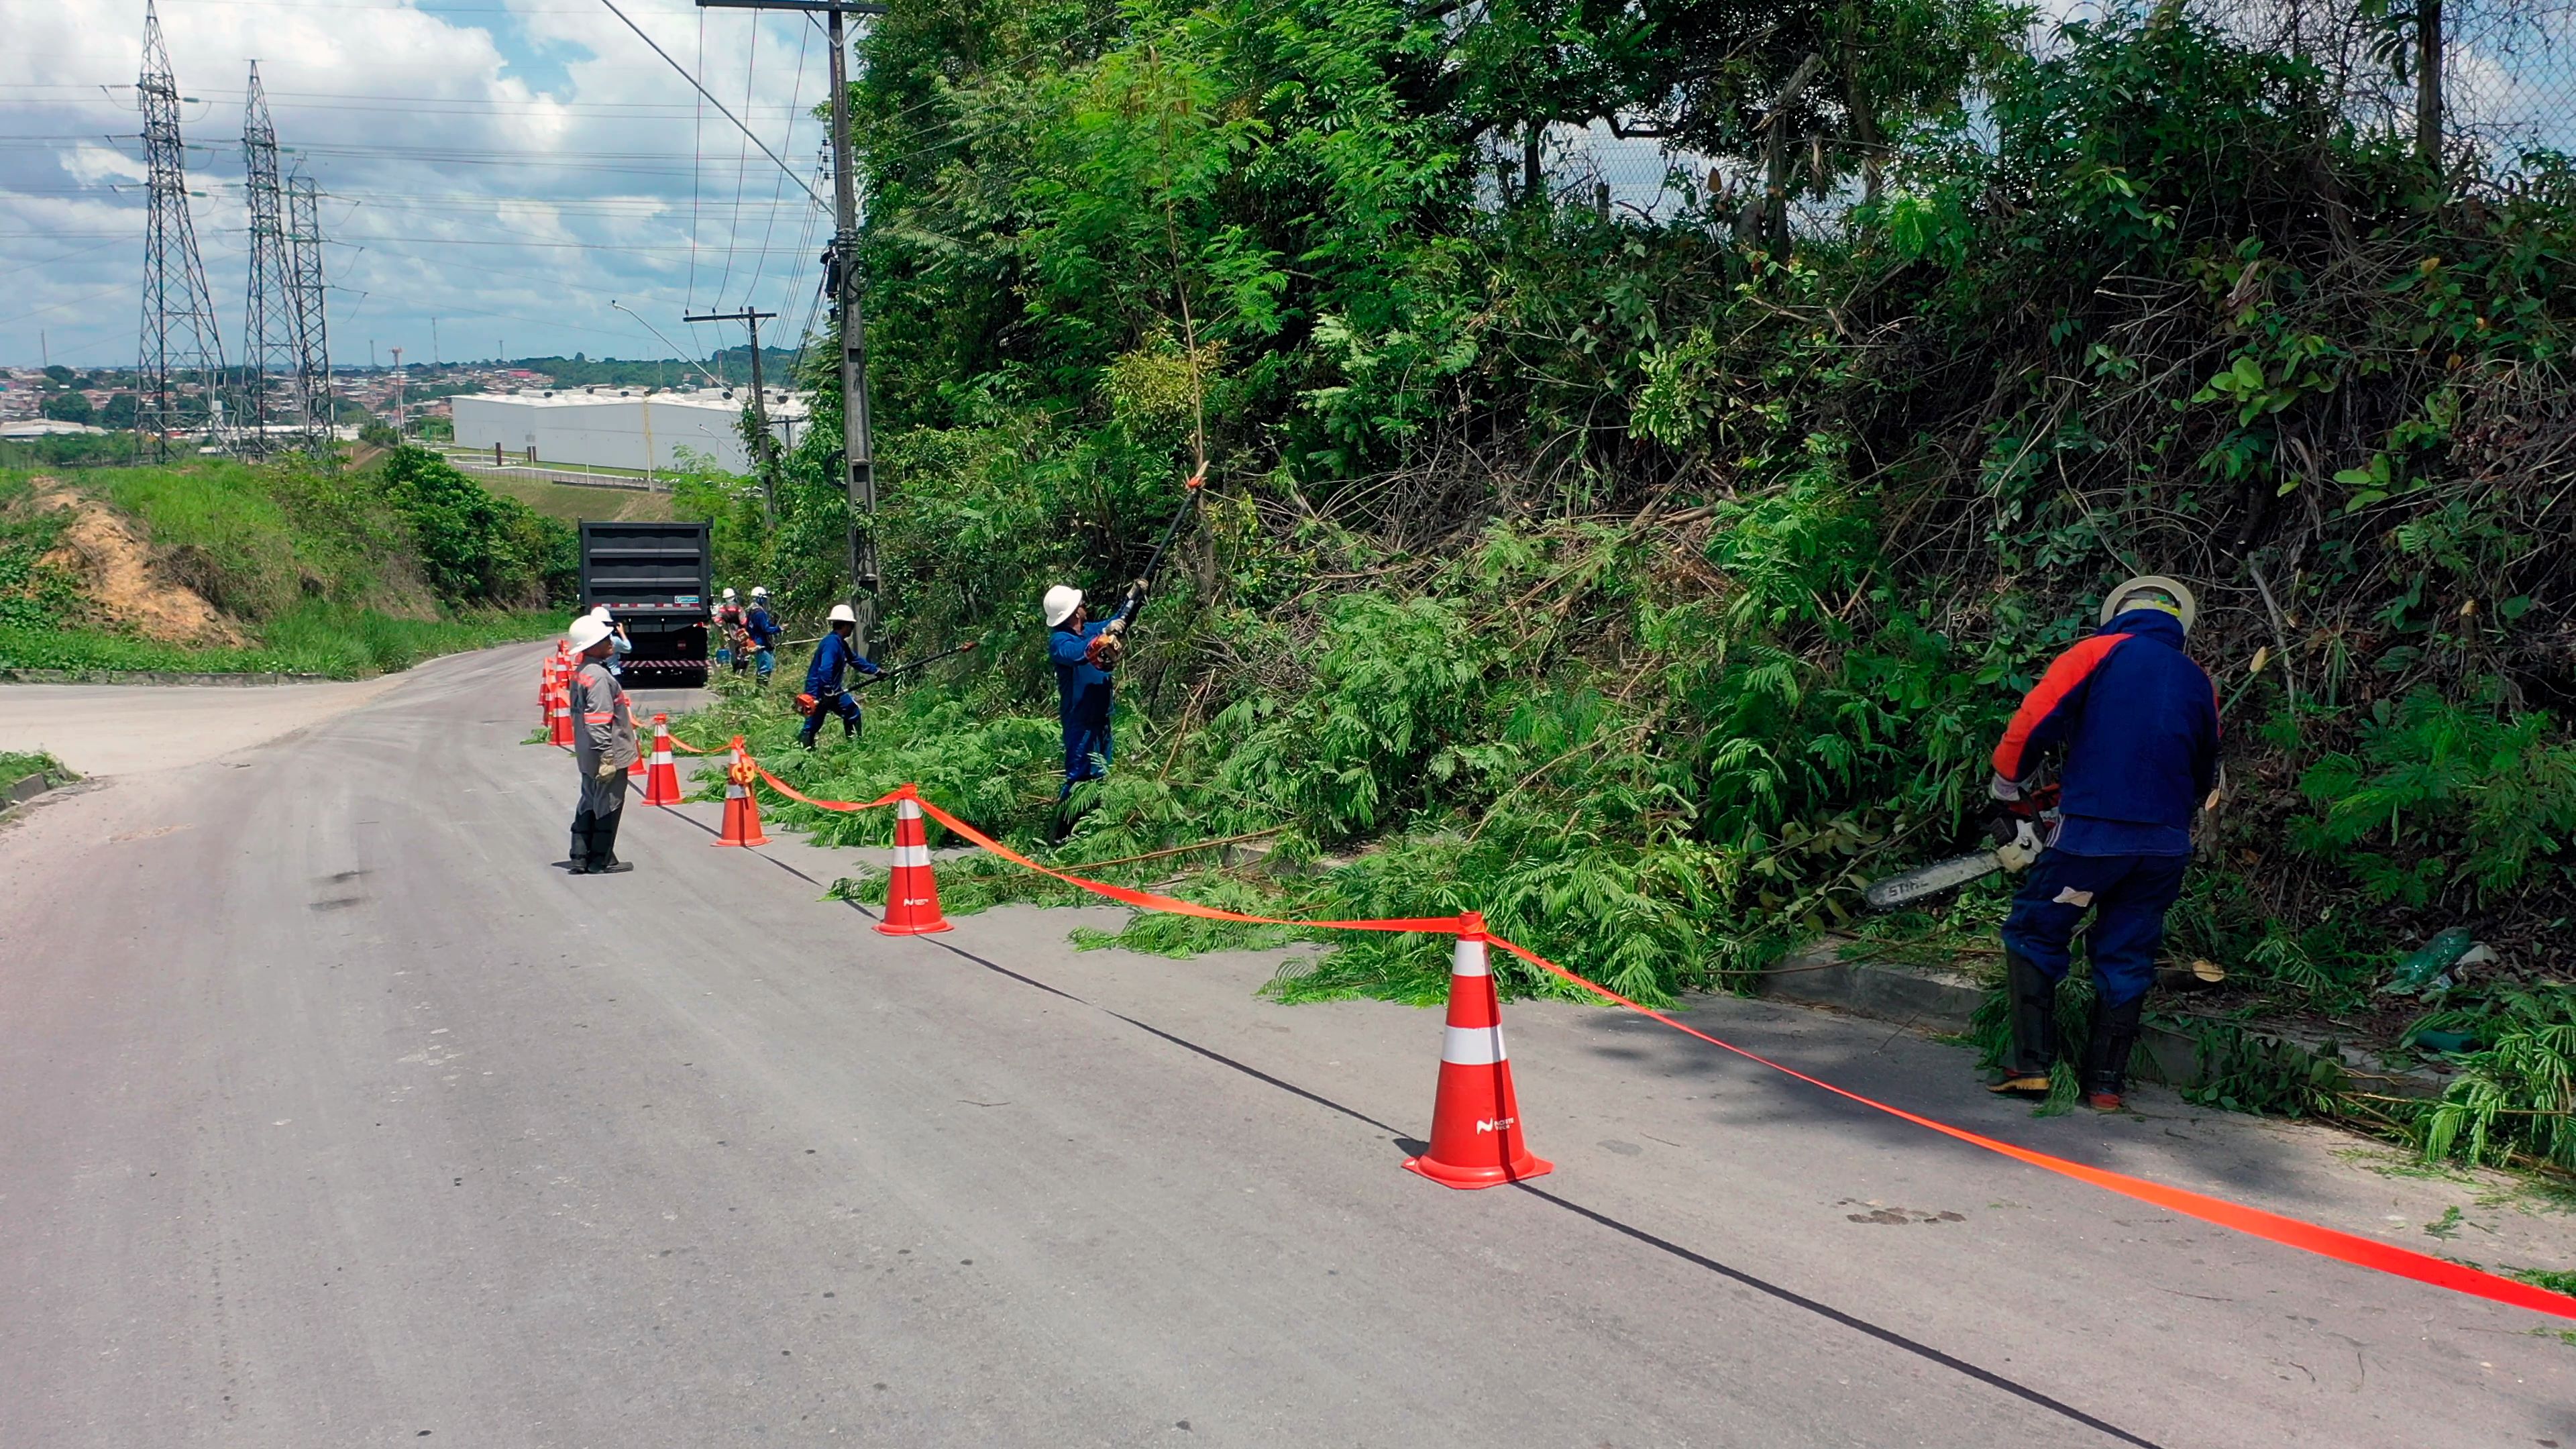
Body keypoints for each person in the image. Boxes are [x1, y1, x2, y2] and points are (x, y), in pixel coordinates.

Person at [1987, 575, 2218, 1111]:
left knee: (2035, 929)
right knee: (2128, 950)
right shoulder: (2197, 679)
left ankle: (2031, 1066)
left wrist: (2006, 782)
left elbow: (2034, 722)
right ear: (2176, 623)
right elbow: (2207, 769)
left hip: (2092, 837)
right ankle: (2106, 1085)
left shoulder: (2096, 652)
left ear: (2120, 613)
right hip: (2162, 847)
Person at [1044, 579, 1144, 839]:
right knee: (1079, 775)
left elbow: (1117, 622)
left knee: (1101, 773)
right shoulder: (1060, 642)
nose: (1084, 606)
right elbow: (1079, 652)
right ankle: (1061, 835)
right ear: (1073, 612)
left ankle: (1091, 829)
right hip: (1080, 719)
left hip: (1101, 715)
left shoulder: (1089, 630)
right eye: (1080, 604)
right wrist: (1102, 638)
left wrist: (1133, 598)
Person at [564, 612, 639, 875]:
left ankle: (580, 855)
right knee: (609, 802)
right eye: (604, 638)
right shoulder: (598, 677)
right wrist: (608, 756)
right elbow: (598, 720)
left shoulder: (583, 672)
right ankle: (602, 858)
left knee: (588, 799)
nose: (610, 641)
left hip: (587, 750)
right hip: (605, 750)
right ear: (590, 646)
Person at [797, 602, 882, 749]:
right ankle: (800, 755)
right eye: (851, 626)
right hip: (818, 691)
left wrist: (876, 671)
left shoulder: (840, 643)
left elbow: (855, 660)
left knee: (852, 711)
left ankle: (854, 749)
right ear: (845, 625)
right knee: (812, 725)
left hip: (833, 690)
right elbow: (825, 669)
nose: (852, 629)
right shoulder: (831, 643)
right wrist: (828, 690)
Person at [745, 586, 781, 682]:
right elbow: (766, 629)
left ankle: (760, 691)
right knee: (766, 668)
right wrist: (780, 629)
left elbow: (748, 628)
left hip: (756, 643)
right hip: (762, 645)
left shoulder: (751, 611)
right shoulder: (760, 613)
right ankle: (761, 691)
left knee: (762, 668)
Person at [588, 604, 633, 677]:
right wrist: (622, 632)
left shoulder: (588, 641)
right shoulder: (614, 641)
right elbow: (628, 648)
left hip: (595, 674)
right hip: (614, 675)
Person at [712, 587, 745, 672]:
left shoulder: (723, 609)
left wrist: (723, 628)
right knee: (742, 652)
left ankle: (733, 670)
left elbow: (717, 620)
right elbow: (744, 622)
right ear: (734, 597)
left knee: (731, 653)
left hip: (728, 634)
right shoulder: (739, 608)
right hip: (740, 634)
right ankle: (740, 671)